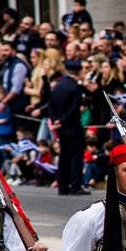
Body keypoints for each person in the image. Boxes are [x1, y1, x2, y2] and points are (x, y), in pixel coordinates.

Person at [48, 59, 88, 195]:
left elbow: (51, 105)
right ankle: (75, 185)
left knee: (64, 155)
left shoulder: (58, 86)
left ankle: (63, 186)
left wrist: (56, 121)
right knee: (76, 155)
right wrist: (63, 120)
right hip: (72, 125)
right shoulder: (75, 86)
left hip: (60, 127)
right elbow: (75, 107)